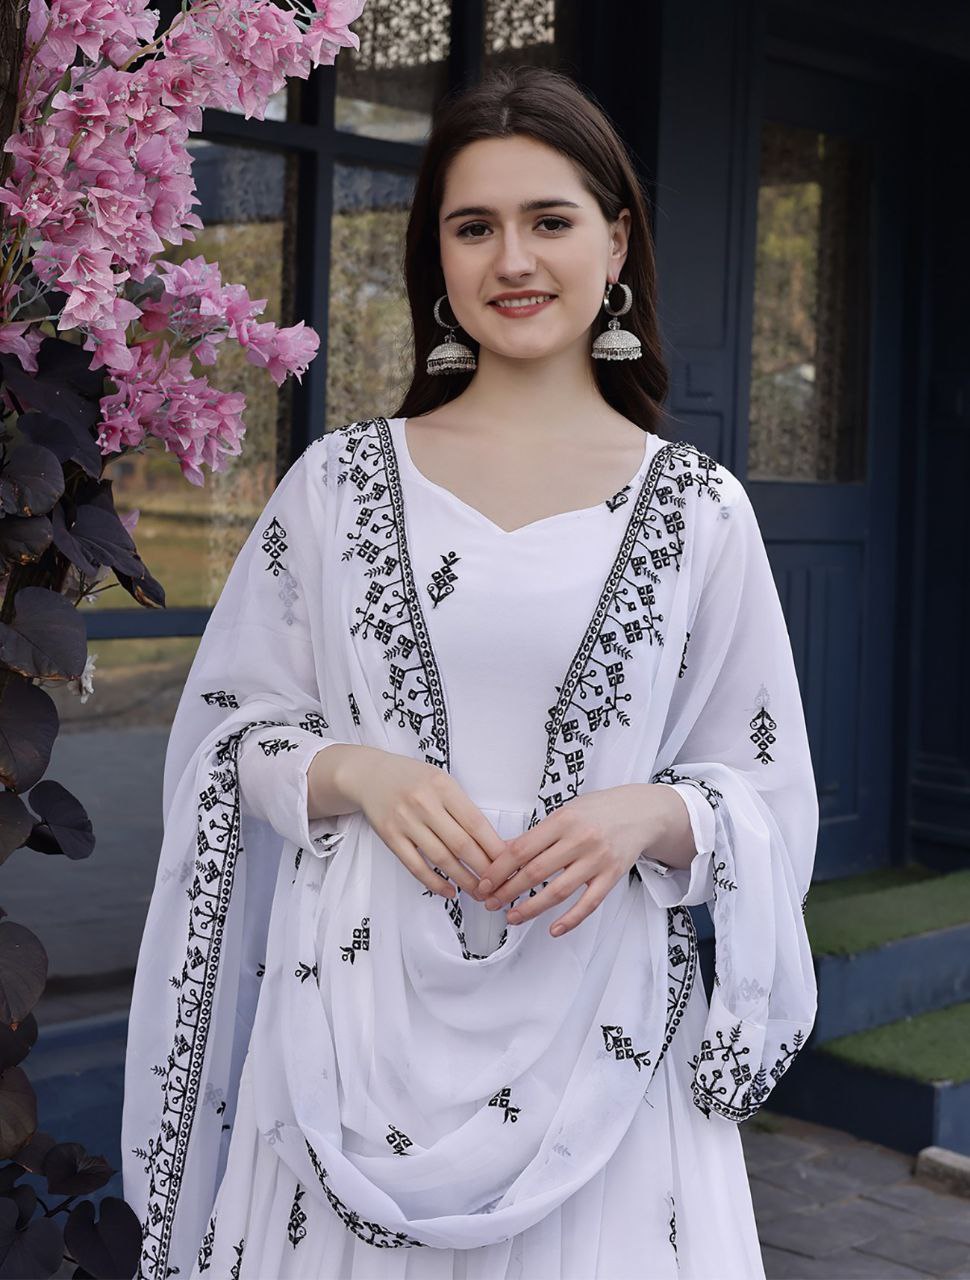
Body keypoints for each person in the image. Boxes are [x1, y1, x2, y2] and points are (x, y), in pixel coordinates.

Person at [121, 65, 818, 1280]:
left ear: (616, 243)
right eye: (473, 225)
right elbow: (227, 738)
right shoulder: (335, 488)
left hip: (599, 1041)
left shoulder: (701, 512)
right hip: (348, 1028)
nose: (513, 258)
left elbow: (764, 791)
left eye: (549, 221)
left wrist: (649, 811)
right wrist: (356, 772)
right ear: (434, 258)